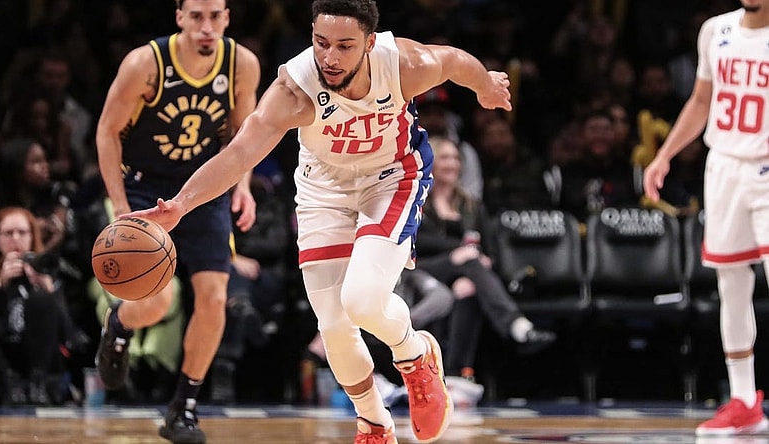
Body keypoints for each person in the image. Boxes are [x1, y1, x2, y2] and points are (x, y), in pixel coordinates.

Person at [124, 1, 512, 442]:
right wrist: (179, 204)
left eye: (344, 46)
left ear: (369, 44)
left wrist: (485, 86)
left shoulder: (403, 65)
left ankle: (415, 354)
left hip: (392, 176)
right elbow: (238, 154)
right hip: (323, 188)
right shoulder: (297, 89)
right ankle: (373, 421)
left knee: (363, 299)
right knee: (332, 323)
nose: (329, 57)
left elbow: (455, 61)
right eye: (321, 43)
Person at [94, 0, 260, 442]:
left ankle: (182, 408)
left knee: (214, 297)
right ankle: (120, 324)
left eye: (215, 17)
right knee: (158, 302)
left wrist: (241, 187)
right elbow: (107, 132)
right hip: (147, 189)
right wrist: (120, 205)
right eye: (196, 17)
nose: (206, 28)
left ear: (227, 17)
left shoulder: (242, 65)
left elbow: (245, 136)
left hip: (204, 188)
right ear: (179, 17)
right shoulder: (145, 64)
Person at [643, 0, 769, 436]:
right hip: (725, 166)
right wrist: (664, 156)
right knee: (731, 284)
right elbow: (701, 100)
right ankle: (744, 400)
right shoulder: (715, 30)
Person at [416, 135, 556, 383]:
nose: (453, 164)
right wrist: (457, 252)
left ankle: (455, 373)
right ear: (431, 160)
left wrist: (480, 259)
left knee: (467, 287)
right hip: (422, 271)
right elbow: (416, 243)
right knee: (469, 259)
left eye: (456, 158)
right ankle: (516, 325)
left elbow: (490, 251)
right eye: (446, 157)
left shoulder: (472, 206)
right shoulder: (417, 202)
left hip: (467, 273)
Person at [0, 207, 66, 405]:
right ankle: (8, 379)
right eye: (8, 233)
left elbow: (68, 334)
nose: (15, 239)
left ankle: (39, 382)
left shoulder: (47, 275)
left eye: (22, 232)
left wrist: (48, 290)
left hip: (38, 362)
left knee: (42, 300)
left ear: (32, 236)